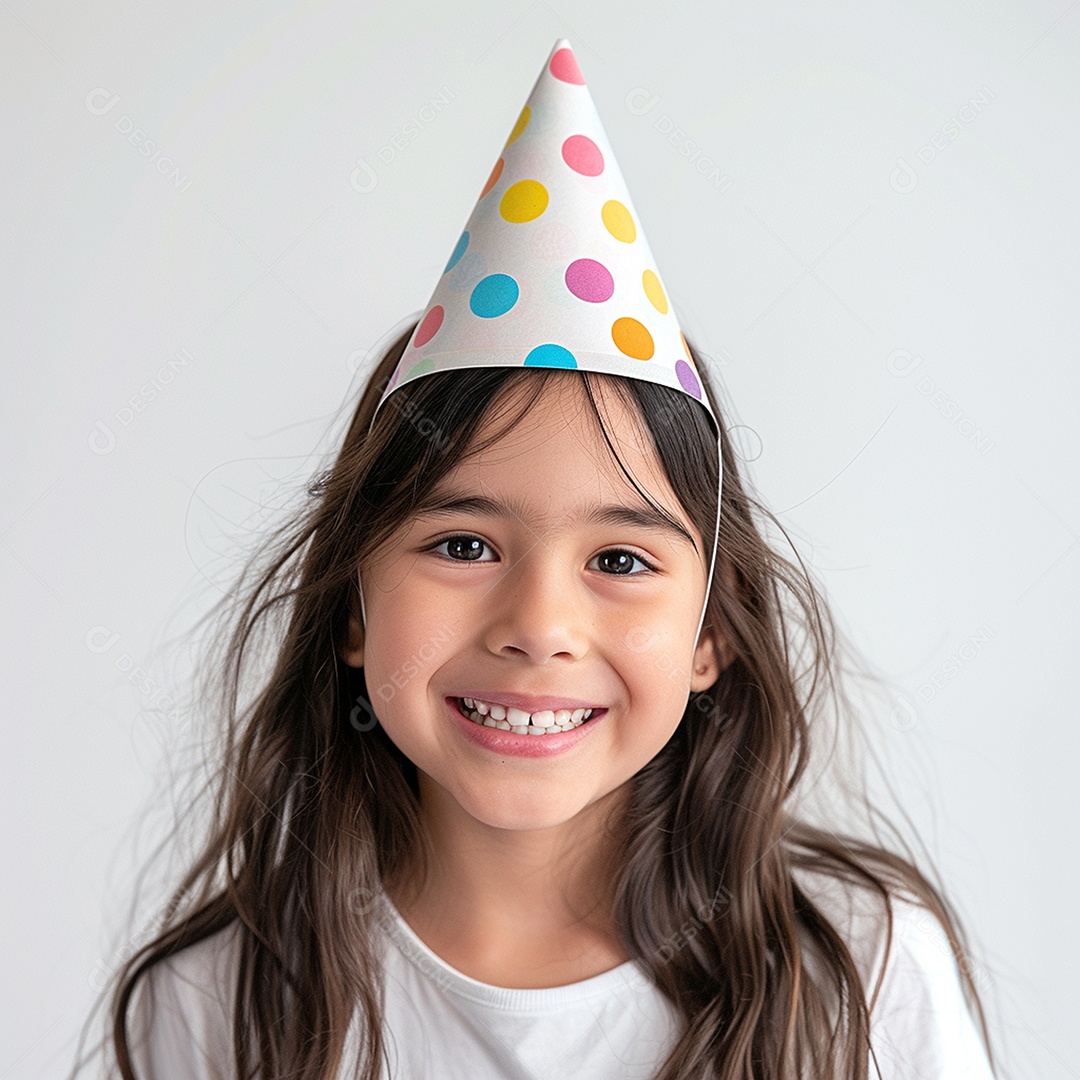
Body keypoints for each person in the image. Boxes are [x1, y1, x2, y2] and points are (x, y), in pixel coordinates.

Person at [69, 38, 999, 1080]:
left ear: (714, 632)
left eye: (620, 559)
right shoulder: (221, 1003)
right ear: (350, 607)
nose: (540, 626)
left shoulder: (862, 976)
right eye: (464, 544)